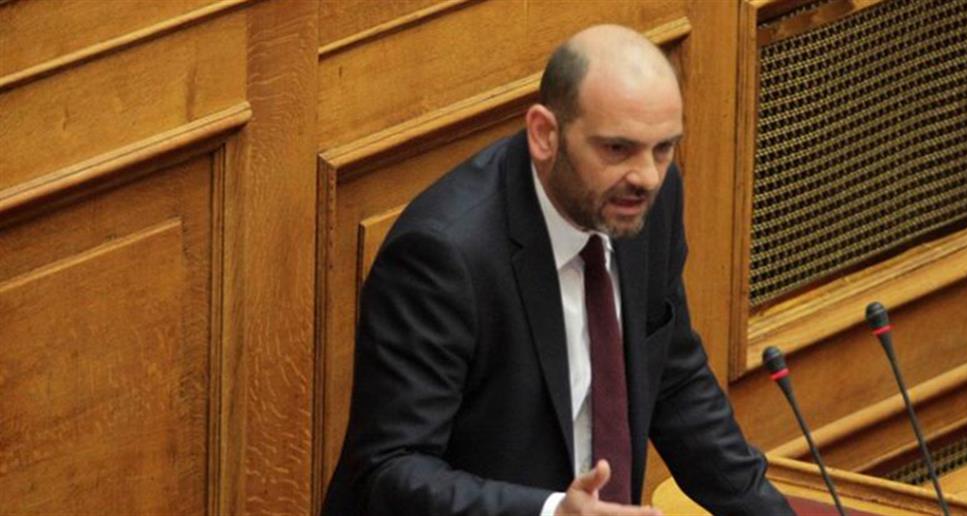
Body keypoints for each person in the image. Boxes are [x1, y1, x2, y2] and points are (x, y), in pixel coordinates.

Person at [322, 24, 791, 516]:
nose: (647, 176)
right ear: (545, 134)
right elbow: (390, 472)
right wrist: (550, 512)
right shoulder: (444, 255)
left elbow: (675, 381)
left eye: (663, 148)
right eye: (617, 149)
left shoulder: (645, 197)